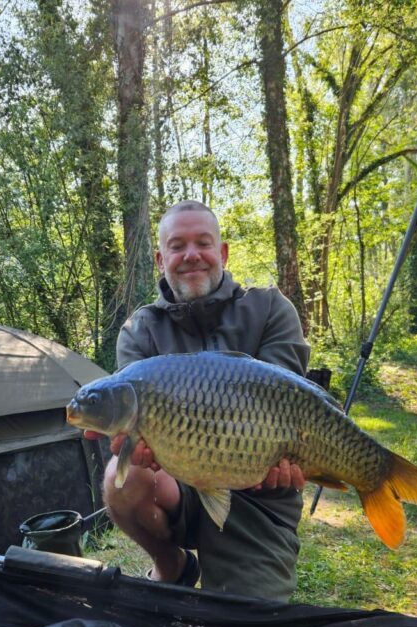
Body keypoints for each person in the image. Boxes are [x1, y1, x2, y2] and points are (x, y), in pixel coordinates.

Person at [85, 200, 310, 601]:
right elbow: (132, 431)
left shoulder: (271, 309)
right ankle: (172, 564)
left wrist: (289, 459)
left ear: (221, 253)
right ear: (160, 259)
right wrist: (135, 446)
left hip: (258, 494)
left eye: (203, 243)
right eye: (177, 246)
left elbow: (288, 405)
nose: (191, 255)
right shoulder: (140, 330)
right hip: (181, 482)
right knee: (121, 476)